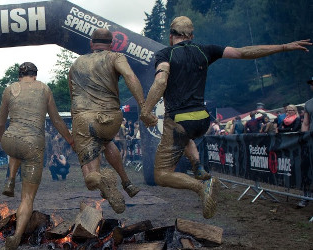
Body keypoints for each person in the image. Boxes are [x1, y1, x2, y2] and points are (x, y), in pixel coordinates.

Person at [140, 16, 311, 219]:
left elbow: (160, 82)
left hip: (179, 120)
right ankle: (198, 166)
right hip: (203, 119)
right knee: (183, 137)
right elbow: (243, 52)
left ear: (171, 37)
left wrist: (145, 110)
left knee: (161, 174)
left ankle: (201, 187)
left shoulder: (165, 53)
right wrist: (283, 46)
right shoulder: (205, 50)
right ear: (192, 36)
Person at [67, 28, 151, 214]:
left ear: (91, 43)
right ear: (111, 44)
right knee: (106, 141)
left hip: (84, 119)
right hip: (111, 118)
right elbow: (130, 76)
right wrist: (143, 106)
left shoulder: (76, 64)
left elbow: (73, 96)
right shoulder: (115, 57)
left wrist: (75, 131)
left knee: (91, 179)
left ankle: (103, 181)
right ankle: (126, 183)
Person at [0, 62, 73, 250]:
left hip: (10, 140)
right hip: (32, 144)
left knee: (16, 145)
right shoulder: (44, 89)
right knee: (27, 198)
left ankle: (11, 178)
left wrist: (0, 137)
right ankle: (16, 236)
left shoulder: (9, 89)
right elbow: (56, 120)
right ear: (35, 75)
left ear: (19, 76)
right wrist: (70, 140)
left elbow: (0, 122)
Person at [298, 77, 313, 208]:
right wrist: (304, 137)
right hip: (311, 140)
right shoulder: (308, 104)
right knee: (308, 168)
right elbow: (306, 123)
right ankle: (306, 196)